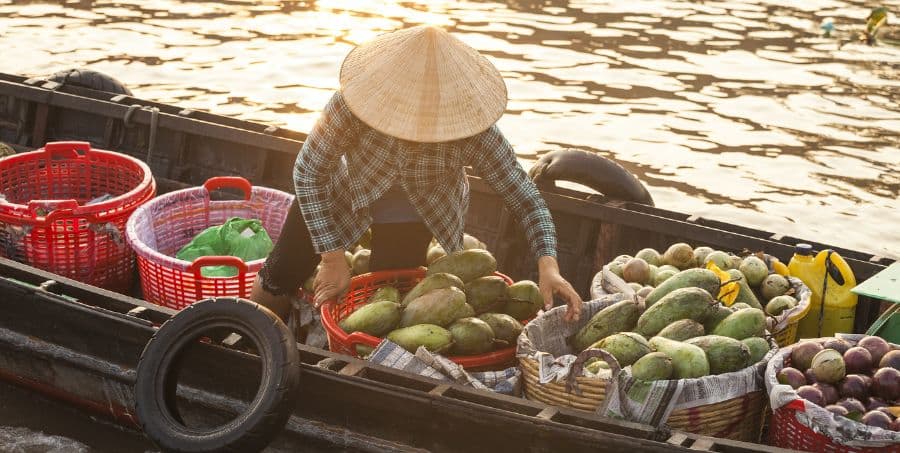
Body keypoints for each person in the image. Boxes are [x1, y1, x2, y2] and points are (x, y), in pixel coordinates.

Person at [250, 25, 582, 329]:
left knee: (388, 304)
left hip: (419, 209)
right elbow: (308, 173)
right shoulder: (352, 103)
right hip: (343, 191)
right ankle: (251, 338)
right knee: (278, 275)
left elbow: (526, 199)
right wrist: (333, 258)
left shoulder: (473, 129)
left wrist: (548, 265)